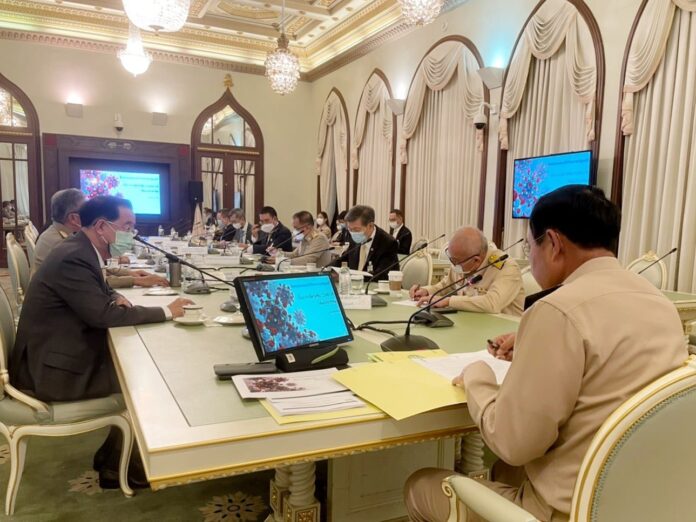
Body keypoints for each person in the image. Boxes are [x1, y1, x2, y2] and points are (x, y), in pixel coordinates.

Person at [404, 185, 688, 522]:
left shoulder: (558, 309)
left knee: (420, 485)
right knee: (505, 472)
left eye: (530, 246)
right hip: (642, 500)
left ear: (552, 243)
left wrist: (478, 376)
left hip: (570, 510)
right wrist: (529, 345)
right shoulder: (660, 304)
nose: (531, 256)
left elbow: (513, 442)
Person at [10, 195, 192, 488]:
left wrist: (112, 296)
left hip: (57, 351)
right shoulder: (73, 256)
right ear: (102, 226)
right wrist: (166, 312)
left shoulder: (79, 249)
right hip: (52, 371)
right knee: (148, 378)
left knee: (138, 361)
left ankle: (111, 456)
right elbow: (101, 317)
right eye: (127, 226)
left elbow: (95, 293)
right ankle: (126, 468)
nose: (131, 233)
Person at [34, 189, 168, 288]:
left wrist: (129, 273)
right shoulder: (60, 244)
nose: (92, 214)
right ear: (73, 218)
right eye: (86, 210)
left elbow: (94, 268)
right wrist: (134, 280)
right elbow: (92, 280)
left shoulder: (66, 235)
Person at [409, 227, 524, 316]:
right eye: (451, 259)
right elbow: (445, 286)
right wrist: (426, 291)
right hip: (473, 324)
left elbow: (492, 303)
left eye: (456, 262)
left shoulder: (507, 267)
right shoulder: (461, 260)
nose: (454, 265)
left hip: (505, 333)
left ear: (476, 260)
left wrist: (449, 301)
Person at [332, 205, 398, 280]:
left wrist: (350, 277)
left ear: (370, 225)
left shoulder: (388, 243)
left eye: (356, 229)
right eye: (350, 229)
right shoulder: (353, 236)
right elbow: (343, 259)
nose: (353, 233)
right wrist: (329, 270)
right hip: (355, 287)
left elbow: (381, 275)